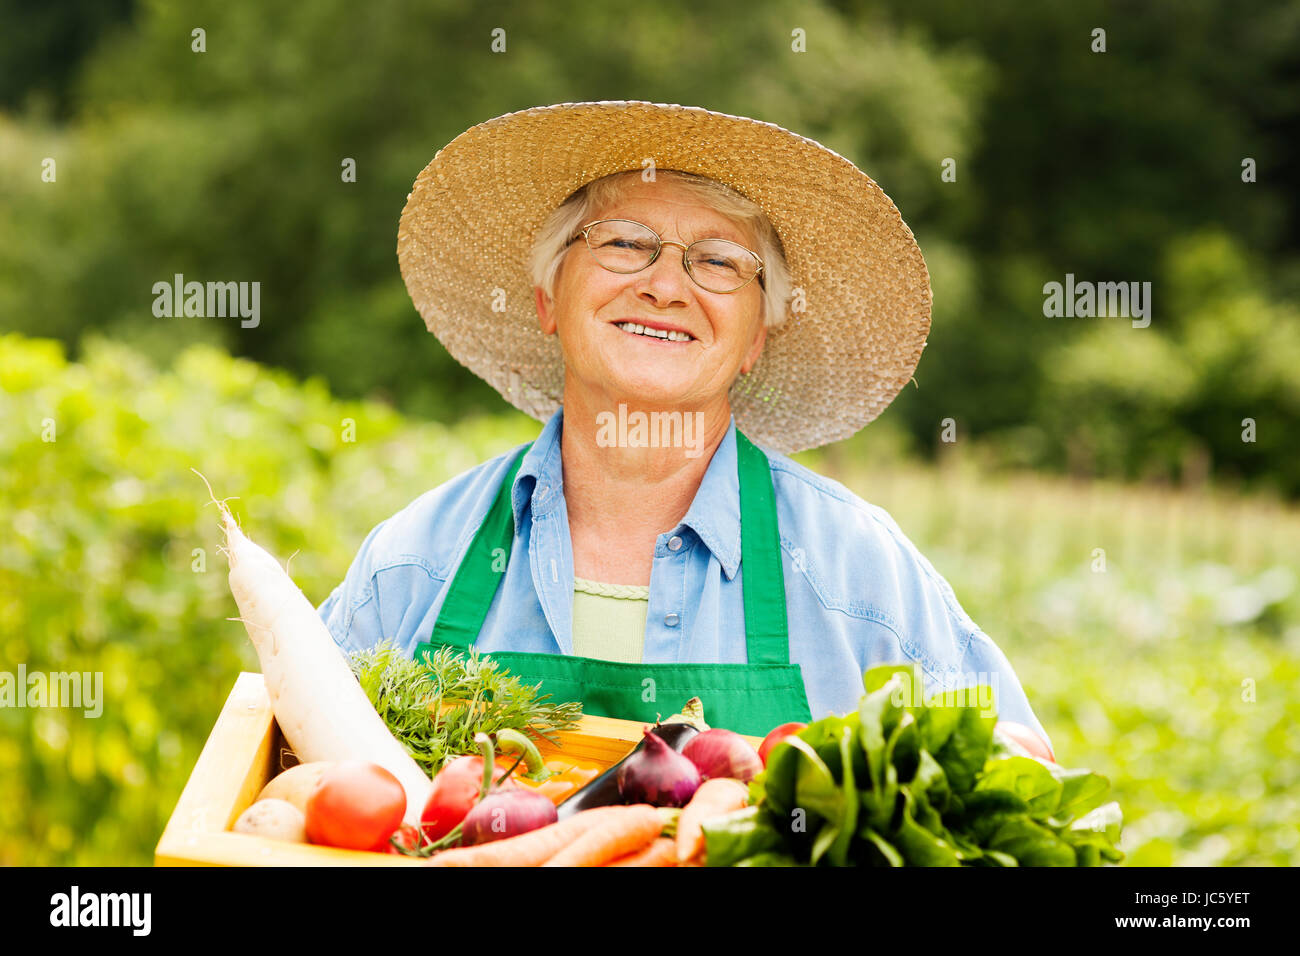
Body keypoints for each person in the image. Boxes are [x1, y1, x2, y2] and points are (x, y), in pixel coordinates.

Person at [317, 101, 1051, 747]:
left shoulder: (859, 578)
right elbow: (289, 789)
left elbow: (1015, 803)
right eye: (623, 242)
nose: (665, 285)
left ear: (757, 336)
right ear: (547, 298)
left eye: (720, 261)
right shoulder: (413, 566)